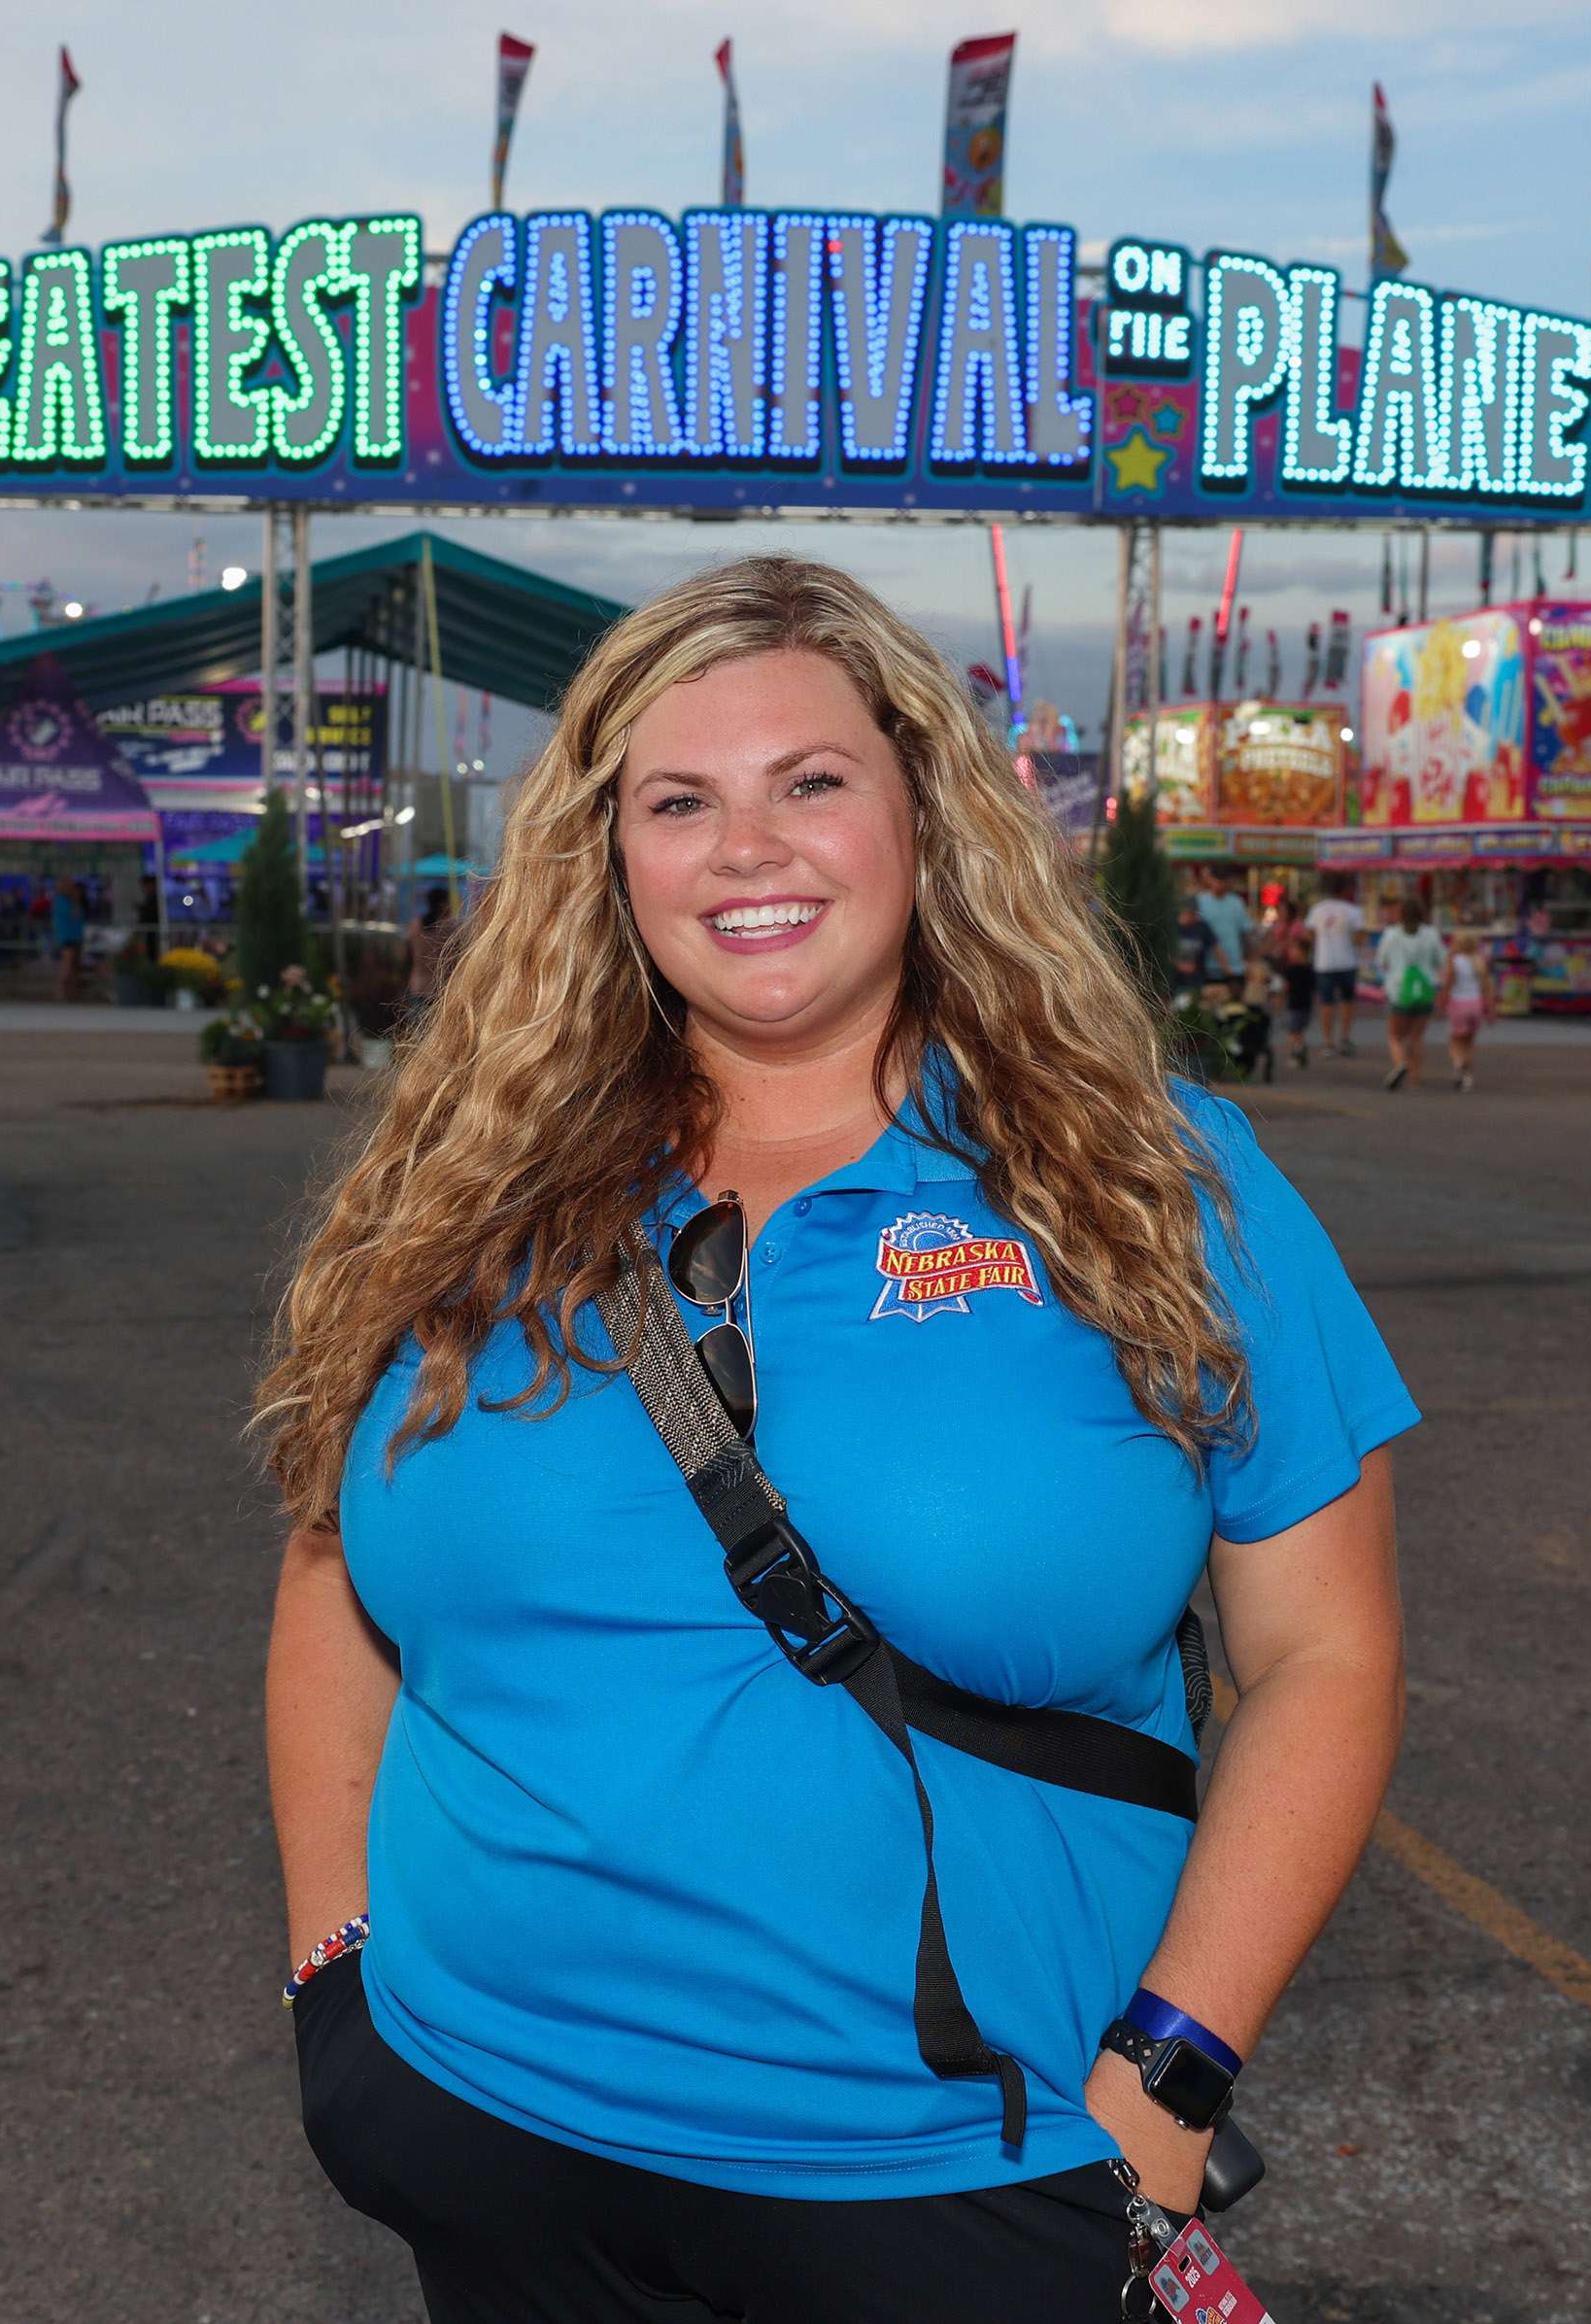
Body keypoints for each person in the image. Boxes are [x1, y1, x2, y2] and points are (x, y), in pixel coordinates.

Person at [259, 558, 1415, 2321]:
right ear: (609, 856)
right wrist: (339, 1974)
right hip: (481, 2117)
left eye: (810, 781)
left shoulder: (1152, 1183)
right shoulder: (474, 1181)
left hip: (958, 2166)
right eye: (680, 800)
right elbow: (338, 1563)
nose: (748, 846)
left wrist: (1172, 2075)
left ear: (922, 815)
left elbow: (1326, 1653)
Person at [1375, 898, 1447, 1092]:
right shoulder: (1431, 934)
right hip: (1425, 989)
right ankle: (1415, 1077)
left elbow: (1381, 961)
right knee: (1416, 1037)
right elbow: (1442, 959)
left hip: (1398, 990)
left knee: (1395, 1036)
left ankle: (1400, 1064)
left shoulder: (1391, 935)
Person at [1305, 874, 1364, 1057]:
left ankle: (1328, 1042)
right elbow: (1359, 938)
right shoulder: (1353, 911)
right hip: (1347, 962)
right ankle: (1345, 1039)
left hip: (1324, 962)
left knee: (1326, 1003)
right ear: (1346, 890)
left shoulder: (1317, 910)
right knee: (1347, 1002)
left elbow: (1309, 934)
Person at [1443, 931, 1492, 1093]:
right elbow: (1487, 987)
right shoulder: (1480, 962)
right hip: (1475, 1004)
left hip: (1458, 1004)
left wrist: (1441, 1001)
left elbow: (1449, 983)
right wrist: (1491, 1009)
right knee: (1469, 1043)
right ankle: (1468, 1078)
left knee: (1455, 1040)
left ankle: (1458, 1064)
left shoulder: (1454, 961)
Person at [403, 887, 457, 1020]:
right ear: (444, 904)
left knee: (418, 1033)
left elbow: (405, 956)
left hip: (418, 986)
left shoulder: (415, 926)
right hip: (441, 989)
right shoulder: (450, 928)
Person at [1194, 868, 1253, 983]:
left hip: (1234, 965)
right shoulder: (1200, 902)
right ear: (1210, 880)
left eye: (1223, 881)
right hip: (1207, 966)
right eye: (1217, 880)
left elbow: (1246, 932)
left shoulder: (1237, 902)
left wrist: (1250, 958)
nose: (1220, 884)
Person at [1278, 917, 1318, 1069]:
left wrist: (1280, 998)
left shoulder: (1291, 969)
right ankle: (1300, 1049)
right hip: (1305, 1005)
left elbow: (1286, 987)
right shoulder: (1310, 969)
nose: (1291, 953)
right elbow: (1314, 989)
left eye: (1294, 950)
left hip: (1294, 1004)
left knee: (1292, 1031)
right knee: (1298, 1031)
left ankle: (1296, 1053)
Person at [51, 877, 86, 1002]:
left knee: (74, 966)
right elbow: (72, 914)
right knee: (67, 963)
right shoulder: (61, 901)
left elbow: (80, 917)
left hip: (76, 936)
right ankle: (60, 991)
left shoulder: (71, 901)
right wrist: (75, 901)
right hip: (66, 936)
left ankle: (72, 992)